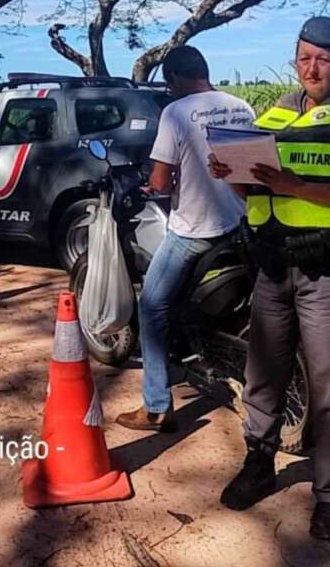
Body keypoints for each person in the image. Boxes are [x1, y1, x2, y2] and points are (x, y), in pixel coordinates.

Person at [209, 16, 330, 541]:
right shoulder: (276, 112)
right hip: (272, 265)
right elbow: (259, 194)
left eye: (324, 59)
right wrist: (233, 178)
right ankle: (258, 464)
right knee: (263, 375)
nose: (312, 68)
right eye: (304, 58)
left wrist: (296, 185)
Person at [116, 45, 255, 432]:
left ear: (175, 79)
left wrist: (160, 184)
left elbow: (160, 181)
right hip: (241, 224)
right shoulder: (241, 106)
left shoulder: (175, 112)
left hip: (195, 231)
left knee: (152, 308)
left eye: (169, 83)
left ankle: (157, 405)